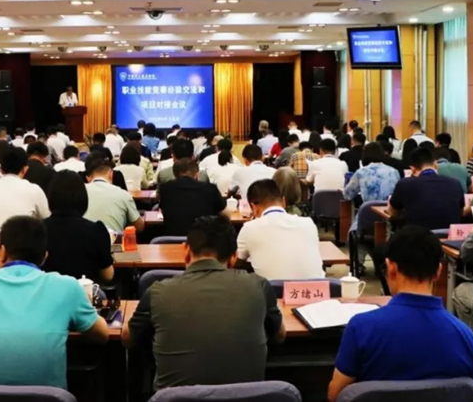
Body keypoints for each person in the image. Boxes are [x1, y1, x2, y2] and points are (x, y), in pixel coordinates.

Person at [123, 215, 285, 389]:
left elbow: (127, 339)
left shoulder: (158, 292)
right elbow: (279, 335)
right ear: (233, 257)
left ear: (186, 250)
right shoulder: (259, 286)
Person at [328, 226, 473, 401]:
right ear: (438, 271)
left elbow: (336, 395)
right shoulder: (466, 337)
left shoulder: (361, 328)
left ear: (391, 268)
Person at [0, 215, 108, 388]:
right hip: (48, 398)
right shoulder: (67, 287)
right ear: (44, 257)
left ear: (2, 252)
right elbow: (102, 335)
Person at [237, 179, 323, 279]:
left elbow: (235, 262)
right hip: (318, 287)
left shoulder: (250, 228)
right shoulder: (308, 223)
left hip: (272, 288)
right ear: (283, 201)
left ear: (253, 207)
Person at [43, 171, 114, 282]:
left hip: (47, 291)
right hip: (85, 290)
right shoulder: (96, 230)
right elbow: (108, 275)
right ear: (83, 197)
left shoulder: (37, 230)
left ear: (50, 197)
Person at [0, 147, 50, 232]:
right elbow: (46, 218)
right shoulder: (35, 190)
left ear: (0, 169)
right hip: (21, 240)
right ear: (25, 169)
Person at [388, 147, 464, 229]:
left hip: (417, 235)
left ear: (412, 169)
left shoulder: (404, 184)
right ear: (436, 165)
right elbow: (460, 211)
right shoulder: (455, 183)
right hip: (449, 235)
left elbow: (393, 212)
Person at [160, 159, 226, 236]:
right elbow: (225, 215)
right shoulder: (210, 188)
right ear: (197, 175)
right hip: (205, 240)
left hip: (171, 239)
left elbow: (163, 212)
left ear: (174, 175)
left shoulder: (165, 188)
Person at [84, 155, 143, 233]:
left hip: (83, 239)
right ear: (111, 174)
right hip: (113, 240)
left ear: (88, 178)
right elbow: (139, 227)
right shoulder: (123, 194)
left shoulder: (80, 192)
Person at [344, 142, 400, 210]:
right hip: (388, 212)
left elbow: (347, 195)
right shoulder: (394, 171)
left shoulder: (361, 172)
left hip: (368, 212)